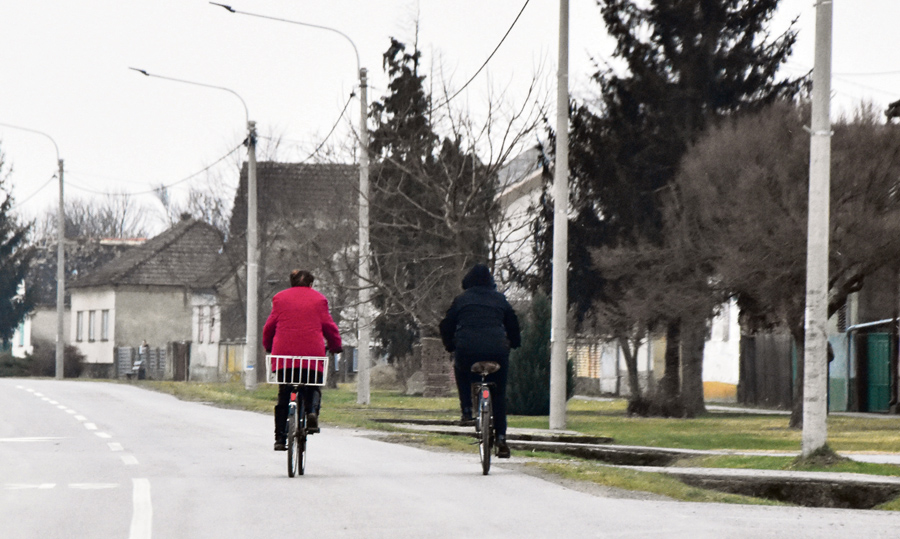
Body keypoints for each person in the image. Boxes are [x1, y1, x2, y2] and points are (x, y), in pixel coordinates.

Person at [439, 263, 521, 458]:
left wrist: (450, 345)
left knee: (461, 370)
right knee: (499, 393)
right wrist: (515, 342)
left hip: (468, 351)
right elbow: (513, 323)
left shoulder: (461, 300)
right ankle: (501, 438)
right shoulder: (500, 299)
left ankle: (467, 409)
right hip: (497, 352)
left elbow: (446, 325)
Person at [263, 269, 342, 451]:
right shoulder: (319, 300)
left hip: (284, 355)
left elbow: (269, 327)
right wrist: (336, 346)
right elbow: (329, 327)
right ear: (311, 284)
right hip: (311, 355)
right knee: (312, 386)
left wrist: (268, 346)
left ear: (291, 283)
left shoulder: (279, 298)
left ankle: (280, 439)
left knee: (284, 393)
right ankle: (312, 412)